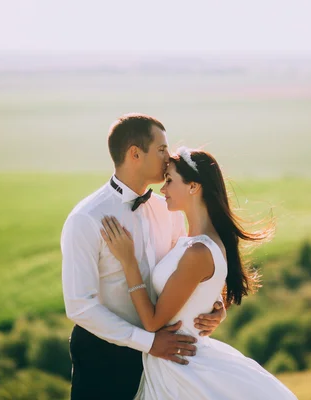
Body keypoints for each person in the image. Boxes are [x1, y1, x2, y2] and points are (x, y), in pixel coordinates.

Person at [100, 147, 298, 399]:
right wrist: (215, 306)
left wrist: (127, 262)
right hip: (173, 362)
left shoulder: (197, 251)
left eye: (170, 181)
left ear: (194, 186)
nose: (163, 190)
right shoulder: (193, 241)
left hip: (180, 369)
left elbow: (152, 322)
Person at [61, 114, 226, 400]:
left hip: (165, 358)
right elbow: (79, 306)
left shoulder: (170, 209)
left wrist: (213, 302)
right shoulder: (86, 218)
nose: (168, 157)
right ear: (135, 154)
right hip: (104, 358)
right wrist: (147, 342)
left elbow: (187, 267)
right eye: (162, 149)